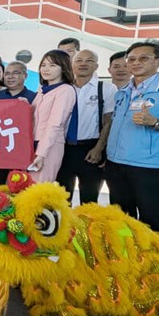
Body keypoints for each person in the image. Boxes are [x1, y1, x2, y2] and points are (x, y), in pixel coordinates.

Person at [105, 39, 159, 237]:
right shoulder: (122, 93)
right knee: (120, 220)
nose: (136, 63)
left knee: (153, 222)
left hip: (151, 167)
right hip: (116, 164)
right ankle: (126, 261)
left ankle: (155, 263)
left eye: (143, 58)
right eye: (131, 59)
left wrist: (155, 122)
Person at [56, 50, 116, 204]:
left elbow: (108, 121)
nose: (83, 64)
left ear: (96, 65)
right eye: (79, 60)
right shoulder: (62, 88)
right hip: (63, 149)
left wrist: (99, 148)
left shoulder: (106, 89)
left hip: (90, 149)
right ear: (72, 65)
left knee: (89, 198)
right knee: (61, 199)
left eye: (89, 60)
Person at [27, 50, 76, 183]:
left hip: (49, 147)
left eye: (53, 65)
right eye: (43, 65)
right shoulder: (42, 90)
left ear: (64, 68)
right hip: (32, 144)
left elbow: (55, 124)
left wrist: (41, 153)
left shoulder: (65, 90)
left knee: (39, 190)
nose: (46, 69)